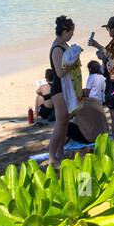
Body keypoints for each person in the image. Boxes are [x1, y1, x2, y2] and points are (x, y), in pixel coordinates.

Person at [47, 15, 78, 167]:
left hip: (66, 87)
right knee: (60, 123)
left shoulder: (64, 44)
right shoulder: (57, 48)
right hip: (58, 88)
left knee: (65, 122)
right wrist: (73, 64)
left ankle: (60, 153)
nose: (72, 34)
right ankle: (52, 157)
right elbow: (59, 72)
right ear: (65, 31)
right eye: (71, 32)